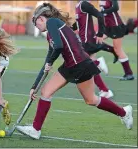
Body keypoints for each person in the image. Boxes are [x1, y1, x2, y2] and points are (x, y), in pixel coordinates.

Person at [15, 3, 133, 140]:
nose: (36, 27)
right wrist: (34, 87)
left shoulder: (53, 22)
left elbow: (58, 47)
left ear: (41, 18)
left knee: (91, 100)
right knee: (45, 92)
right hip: (69, 66)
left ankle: (124, 112)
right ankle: (36, 130)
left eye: (36, 23)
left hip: (81, 65)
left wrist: (50, 61)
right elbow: (49, 59)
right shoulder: (50, 34)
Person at [74, 0, 115, 98]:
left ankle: (99, 63)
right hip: (84, 40)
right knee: (89, 68)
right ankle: (104, 90)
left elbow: (100, 16)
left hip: (87, 40)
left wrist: (100, 33)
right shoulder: (78, 5)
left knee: (84, 64)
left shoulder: (84, 4)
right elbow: (79, 23)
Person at [99, 0, 134, 81]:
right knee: (95, 40)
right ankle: (112, 50)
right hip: (107, 26)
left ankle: (129, 74)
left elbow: (115, 7)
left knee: (118, 49)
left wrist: (103, 12)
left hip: (116, 26)